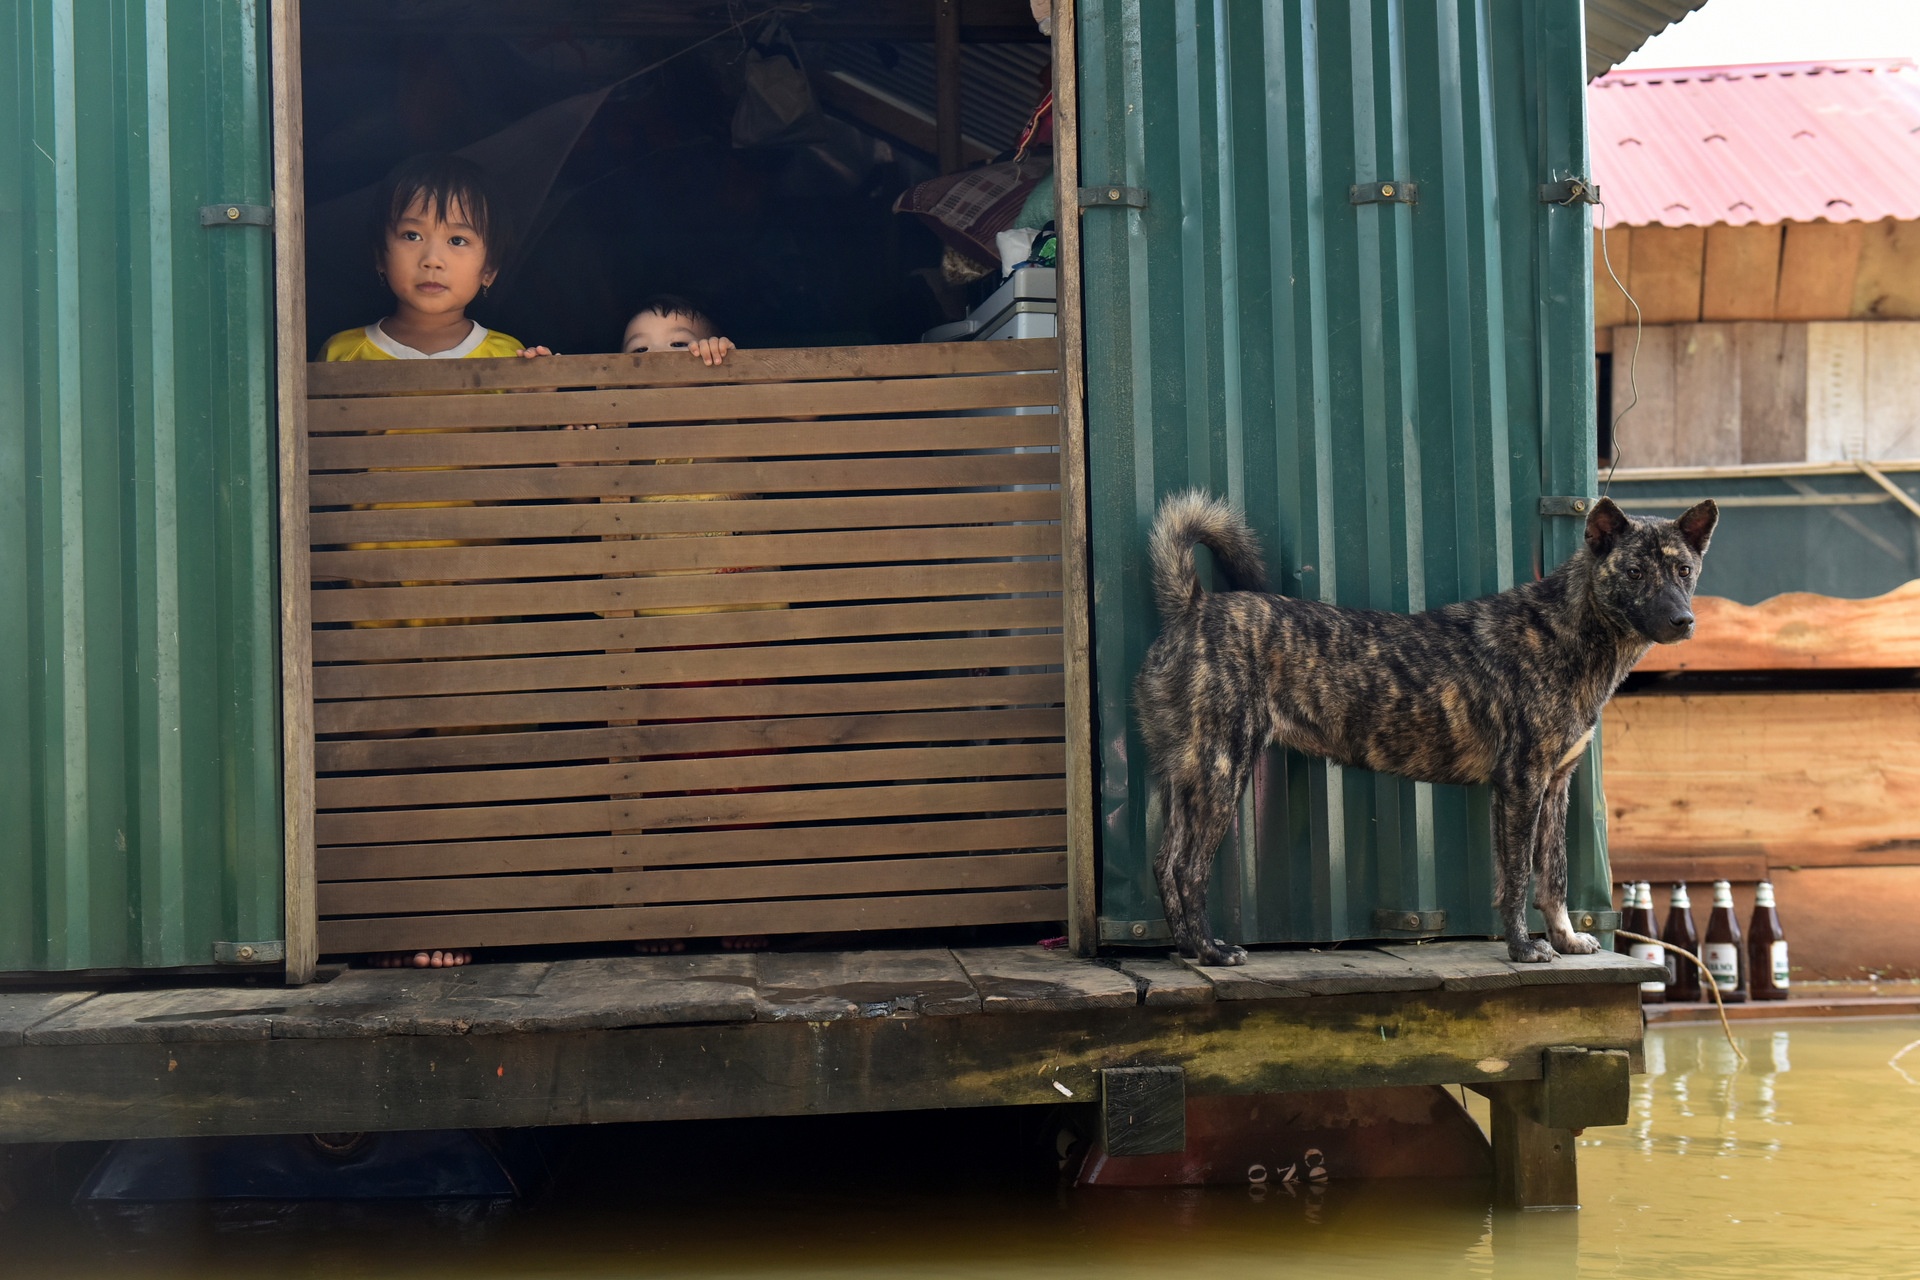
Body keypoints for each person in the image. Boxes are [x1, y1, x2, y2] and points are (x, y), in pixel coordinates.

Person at [323, 154, 536, 970]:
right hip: (375, 612)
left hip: (473, 613)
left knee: (467, 762)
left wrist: (545, 401)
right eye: (411, 235)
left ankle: (461, 911)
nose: (432, 255)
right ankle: (398, 919)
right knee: (387, 766)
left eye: (456, 238)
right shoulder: (344, 356)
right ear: (382, 257)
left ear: (488, 269)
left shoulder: (506, 355)